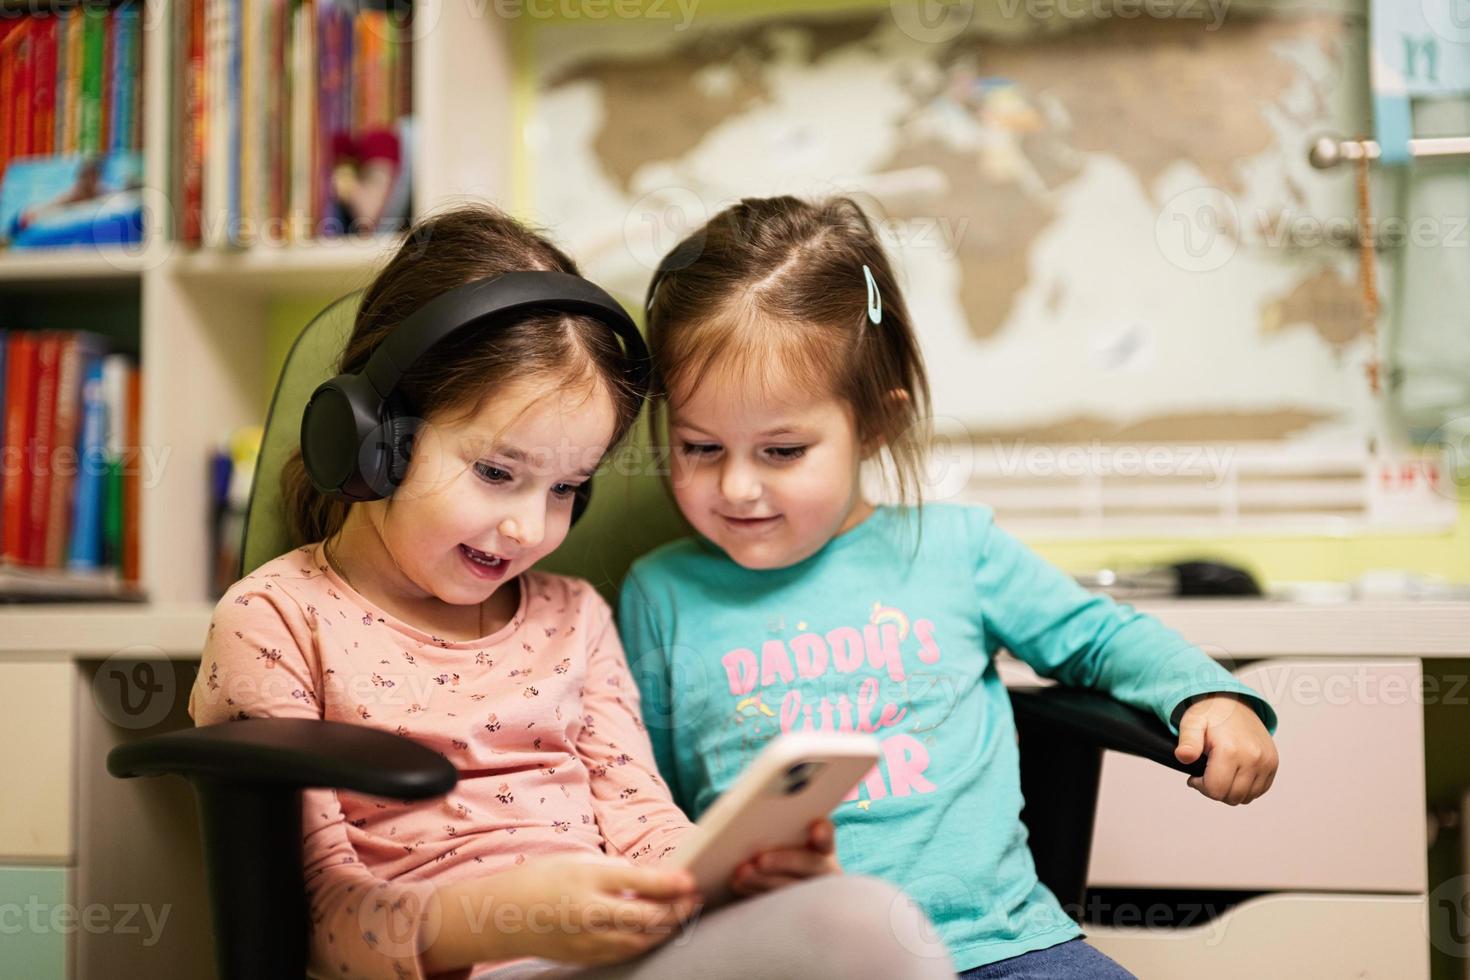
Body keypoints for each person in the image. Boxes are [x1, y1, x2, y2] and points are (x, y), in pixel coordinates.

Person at [189, 203, 954, 980]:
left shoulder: (574, 616)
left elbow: (641, 821)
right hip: (469, 964)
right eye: (496, 472)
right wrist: (513, 918)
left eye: (566, 488)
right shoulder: (275, 621)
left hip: (607, 960)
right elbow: (308, 915)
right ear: (372, 439)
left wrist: (730, 873)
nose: (529, 527)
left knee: (857, 920)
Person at [619, 195, 1281, 978]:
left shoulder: (955, 550)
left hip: (1004, 948)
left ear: (875, 425)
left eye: (782, 451)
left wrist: (1207, 696)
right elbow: (639, 798)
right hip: (791, 959)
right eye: (700, 447)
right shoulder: (658, 594)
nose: (736, 486)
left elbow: (1099, 637)